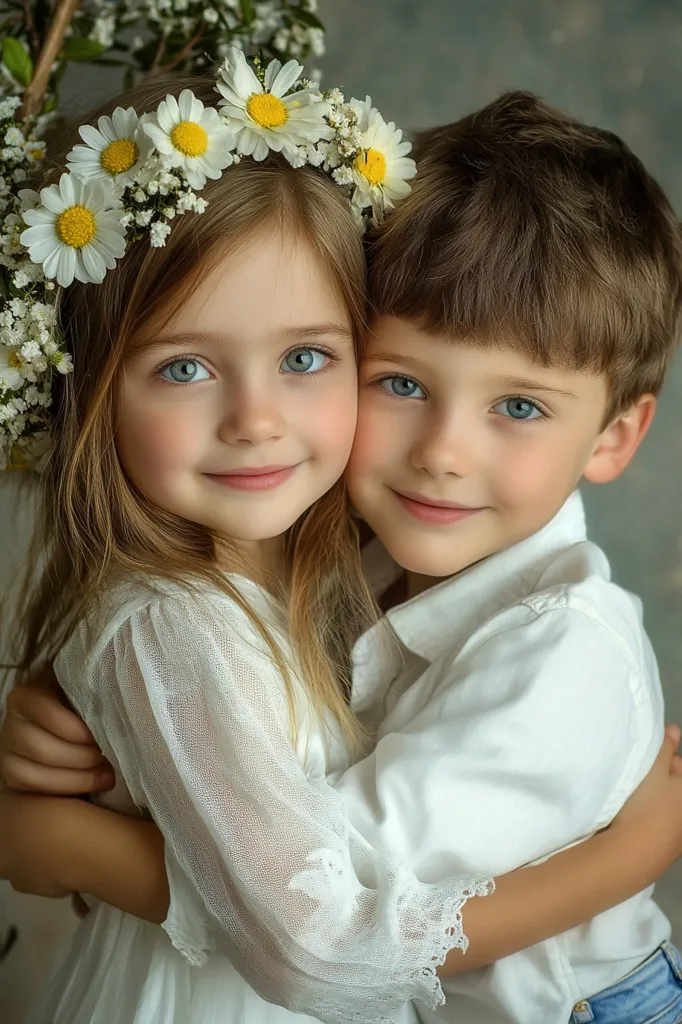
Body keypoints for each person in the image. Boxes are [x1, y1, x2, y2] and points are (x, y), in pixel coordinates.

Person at [2, 85, 682, 1024]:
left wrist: (638, 847)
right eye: (400, 382)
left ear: (612, 436)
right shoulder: (339, 568)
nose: (443, 450)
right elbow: (253, 812)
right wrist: (106, 740)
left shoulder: (563, 655)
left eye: (517, 406)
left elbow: (328, 894)